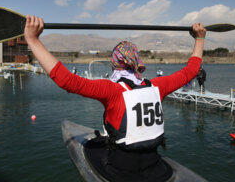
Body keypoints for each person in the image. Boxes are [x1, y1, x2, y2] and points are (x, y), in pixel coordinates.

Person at [24, 15, 206, 181]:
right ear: (136, 62)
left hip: (120, 172)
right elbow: (190, 71)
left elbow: (67, 81)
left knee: (94, 147)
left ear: (114, 64)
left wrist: (33, 40)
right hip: (156, 167)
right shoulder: (158, 87)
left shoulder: (111, 90)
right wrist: (199, 38)